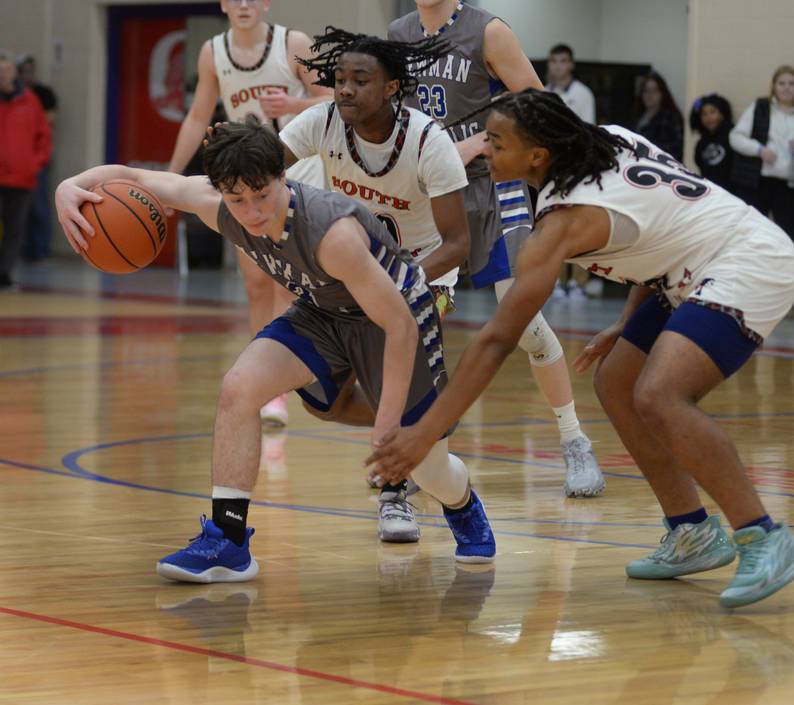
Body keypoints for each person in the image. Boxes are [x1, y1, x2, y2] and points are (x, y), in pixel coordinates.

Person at [367, 88, 794, 609]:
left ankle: (765, 536)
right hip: (694, 263)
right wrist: (625, 320)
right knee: (616, 382)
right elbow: (667, 219)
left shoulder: (561, 222)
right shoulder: (612, 139)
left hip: (748, 261)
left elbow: (499, 339)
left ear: (538, 156)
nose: (485, 151)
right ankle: (692, 532)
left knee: (660, 395)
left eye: (497, 143)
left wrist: (425, 433)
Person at [55, 117, 496, 582]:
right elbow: (141, 179)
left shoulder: (332, 234)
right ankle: (228, 542)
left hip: (393, 317)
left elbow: (400, 328)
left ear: (284, 176)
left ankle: (462, 501)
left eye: (262, 195)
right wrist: (70, 185)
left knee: (427, 468)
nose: (251, 212)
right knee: (239, 387)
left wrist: (387, 426)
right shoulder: (219, 205)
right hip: (324, 310)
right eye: (237, 200)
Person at [390, 0, 605, 498]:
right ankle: (423, 453)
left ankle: (574, 440)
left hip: (494, 187)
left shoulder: (489, 31)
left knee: (525, 323)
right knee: (420, 324)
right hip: (432, 194)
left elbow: (539, 108)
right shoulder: (399, 33)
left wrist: (482, 144)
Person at [276, 28, 471, 542]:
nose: (344, 89)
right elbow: (265, 170)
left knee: (393, 369)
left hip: (427, 272)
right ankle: (426, 429)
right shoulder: (322, 121)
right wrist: (236, 157)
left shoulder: (431, 142)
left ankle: (395, 493)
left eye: (359, 80)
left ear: (391, 88)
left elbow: (457, 243)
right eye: (339, 80)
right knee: (324, 401)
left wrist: (402, 282)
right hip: (353, 276)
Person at [167, 0, 333, 426]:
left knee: (287, 286)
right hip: (245, 182)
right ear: (223, 4)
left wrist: (292, 107)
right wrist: (171, 179)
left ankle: (297, 373)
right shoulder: (212, 52)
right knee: (257, 285)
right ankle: (271, 390)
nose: (242, 5)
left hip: (296, 176)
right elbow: (198, 116)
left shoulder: (293, 43)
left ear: (265, 3)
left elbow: (335, 99)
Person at [545, 42, 598, 298]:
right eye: (554, 61)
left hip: (577, 166)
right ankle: (555, 279)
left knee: (577, 225)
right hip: (550, 167)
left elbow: (586, 129)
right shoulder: (543, 91)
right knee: (552, 224)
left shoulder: (584, 94)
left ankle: (578, 282)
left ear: (572, 64)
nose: (559, 66)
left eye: (563, 61)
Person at [730, 65, 794, 246]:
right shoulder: (761, 106)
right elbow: (735, 137)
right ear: (774, 86)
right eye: (781, 83)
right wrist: (759, 150)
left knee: (789, 237)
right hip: (759, 182)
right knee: (752, 233)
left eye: (791, 83)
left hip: (789, 186)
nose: (786, 87)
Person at [0, 50, 51, 290]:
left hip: (22, 177)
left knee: (14, 229)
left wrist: (34, 163)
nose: (3, 75)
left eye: (6, 69)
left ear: (13, 72)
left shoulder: (30, 100)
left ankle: (5, 274)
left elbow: (43, 137)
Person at [17, 54, 58, 263]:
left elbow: (48, 122)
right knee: (19, 210)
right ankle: (23, 249)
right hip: (14, 161)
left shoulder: (42, 94)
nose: (27, 75)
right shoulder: (14, 96)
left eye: (30, 70)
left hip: (36, 159)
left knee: (39, 206)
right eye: (23, 70)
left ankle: (41, 248)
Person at [632, 71, 684, 161]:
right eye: (646, 91)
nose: (649, 95)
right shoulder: (638, 115)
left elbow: (674, 150)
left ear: (662, 93)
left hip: (661, 167)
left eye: (654, 91)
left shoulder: (670, 117)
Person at [689, 93, 734, 191]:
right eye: (704, 114)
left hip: (731, 191)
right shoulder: (701, 143)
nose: (708, 117)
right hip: (710, 191)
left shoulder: (732, 135)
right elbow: (699, 163)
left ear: (722, 114)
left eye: (712, 112)